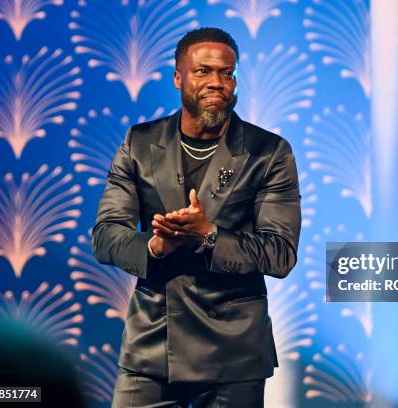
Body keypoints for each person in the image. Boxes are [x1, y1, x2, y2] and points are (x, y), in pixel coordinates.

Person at [91, 27, 301, 407]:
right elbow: (106, 236)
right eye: (203, 71)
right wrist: (155, 245)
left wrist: (208, 235)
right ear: (178, 77)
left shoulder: (268, 152)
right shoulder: (139, 143)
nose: (217, 82)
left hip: (234, 354)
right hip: (153, 344)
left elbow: (280, 254)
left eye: (227, 73)